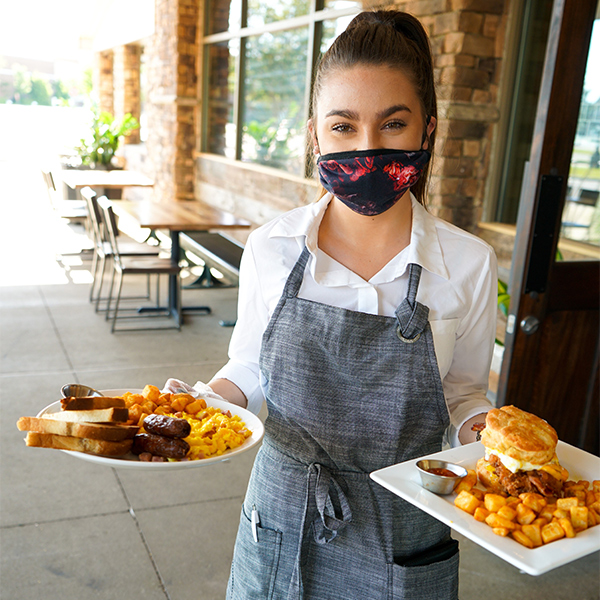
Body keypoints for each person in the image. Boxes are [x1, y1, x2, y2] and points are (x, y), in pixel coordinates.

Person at [169, 10, 497, 599]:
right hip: (282, 512)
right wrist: (201, 406)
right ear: (316, 134)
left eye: (393, 124)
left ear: (427, 130)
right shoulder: (272, 247)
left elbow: (464, 392)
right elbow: (248, 367)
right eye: (344, 126)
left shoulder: (468, 263)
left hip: (407, 524)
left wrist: (486, 429)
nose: (368, 148)